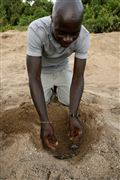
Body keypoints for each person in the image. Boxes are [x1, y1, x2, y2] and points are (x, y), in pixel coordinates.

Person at [26, 0, 90, 150]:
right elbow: (33, 77)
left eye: (73, 34)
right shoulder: (36, 29)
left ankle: (57, 88)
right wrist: (44, 122)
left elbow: (78, 77)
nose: (67, 39)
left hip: (62, 68)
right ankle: (52, 90)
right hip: (42, 71)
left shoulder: (84, 36)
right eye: (61, 32)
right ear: (52, 20)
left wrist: (73, 115)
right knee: (43, 101)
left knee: (69, 101)